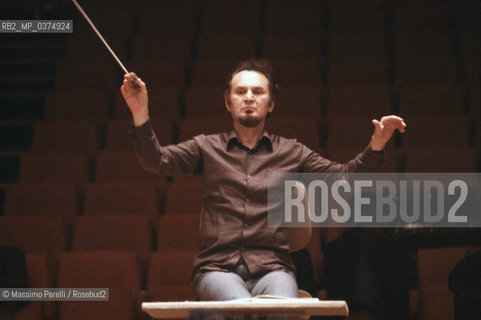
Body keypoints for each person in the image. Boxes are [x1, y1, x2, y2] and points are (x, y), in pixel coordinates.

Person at [121, 59, 406, 301]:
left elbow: (343, 179)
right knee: (244, 308)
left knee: (280, 310)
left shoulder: (292, 152)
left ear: (270, 104)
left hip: (274, 269)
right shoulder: (205, 147)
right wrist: (139, 111)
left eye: (257, 91)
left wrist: (377, 144)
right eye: (240, 91)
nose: (248, 97)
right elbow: (155, 160)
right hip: (216, 270)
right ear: (228, 103)